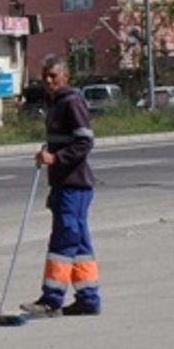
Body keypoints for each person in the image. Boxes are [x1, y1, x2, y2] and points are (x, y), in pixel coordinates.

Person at [20, 54, 101, 317]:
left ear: (65, 77)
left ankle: (51, 299)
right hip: (63, 184)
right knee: (79, 244)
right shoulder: (54, 103)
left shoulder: (71, 102)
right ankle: (88, 298)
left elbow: (84, 142)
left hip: (74, 185)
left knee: (64, 241)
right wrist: (49, 153)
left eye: (53, 76)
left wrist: (56, 158)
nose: (48, 80)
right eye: (44, 76)